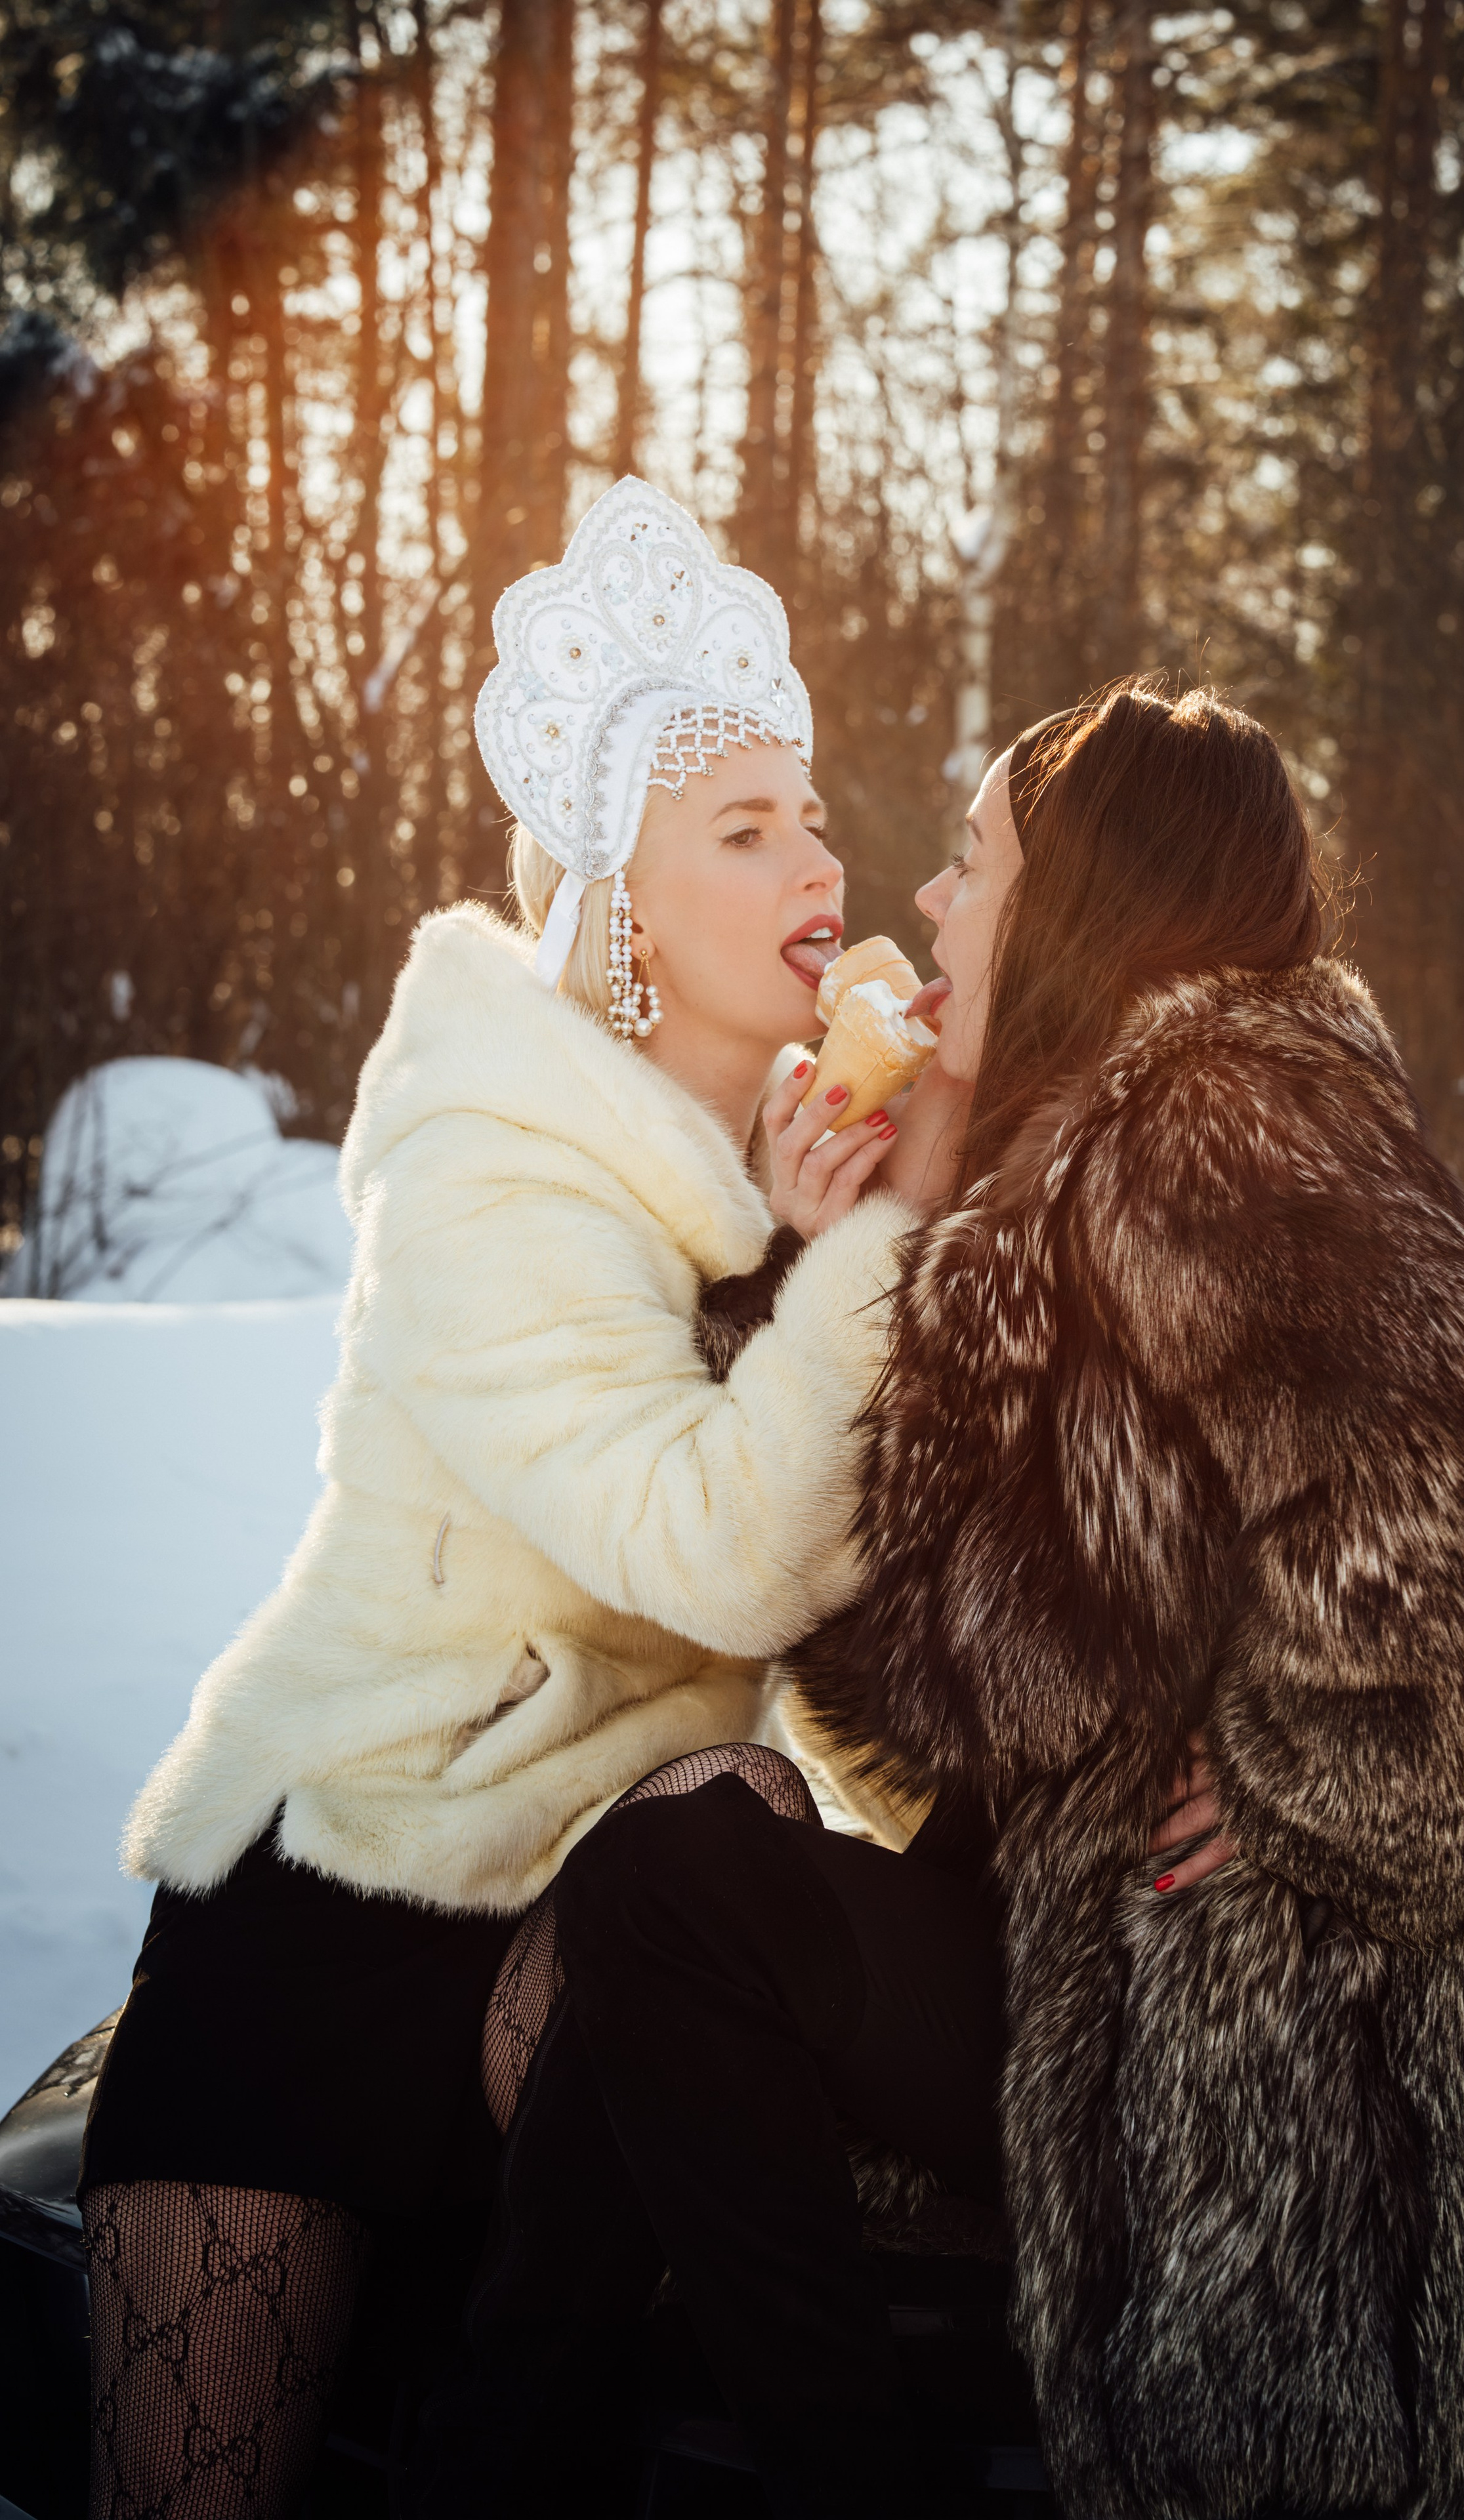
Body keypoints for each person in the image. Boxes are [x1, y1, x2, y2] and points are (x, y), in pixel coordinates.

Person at [449, 673, 1464, 2520]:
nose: (931, 908)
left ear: (1086, 905)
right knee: (684, 1895)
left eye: (971, 865)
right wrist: (833, 1253)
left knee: (679, 1895)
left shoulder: (1219, 1127)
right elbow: (914, 1657)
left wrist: (1295, 1780)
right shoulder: (1083, 1153)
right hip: (1088, 1967)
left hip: (1268, 2056)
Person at [76, 476, 915, 2520]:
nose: (818, 859)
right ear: (623, 912)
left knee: (723, 1824)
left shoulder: (799, 1172)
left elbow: (869, 1636)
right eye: (748, 827)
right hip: (331, 1923)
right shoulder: (490, 1169)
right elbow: (713, 1532)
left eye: (816, 812)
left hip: (603, 1946)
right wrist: (868, 1261)